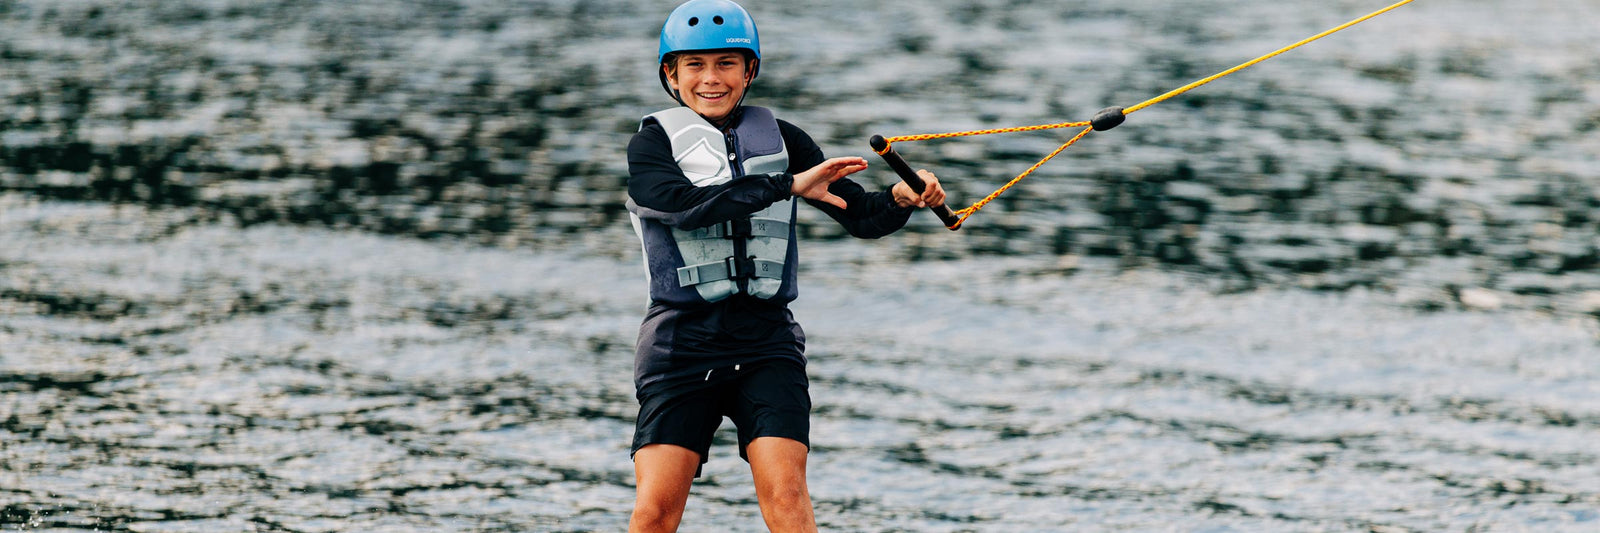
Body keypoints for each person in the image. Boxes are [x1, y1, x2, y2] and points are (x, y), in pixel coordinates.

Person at [624, 1, 947, 531]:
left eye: (727, 64)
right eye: (695, 65)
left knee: (788, 499)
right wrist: (786, 185)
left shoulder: (781, 140)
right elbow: (682, 206)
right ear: (671, 74)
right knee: (656, 514)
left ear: (749, 70)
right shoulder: (652, 145)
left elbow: (861, 215)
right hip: (682, 347)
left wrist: (901, 199)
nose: (712, 78)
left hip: (766, 344)